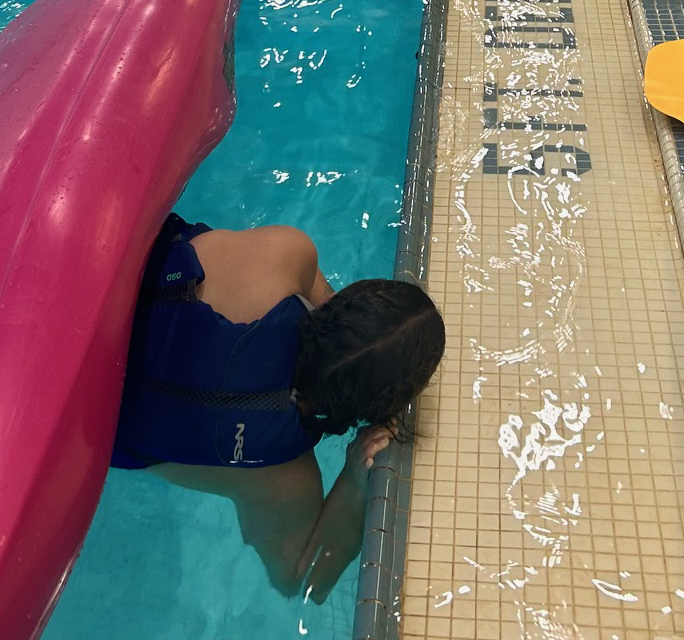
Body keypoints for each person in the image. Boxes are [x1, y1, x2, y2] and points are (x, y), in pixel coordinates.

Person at [111, 214, 446, 601]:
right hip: (97, 421)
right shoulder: (285, 480)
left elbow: (320, 296)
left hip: (92, 310)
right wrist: (355, 477)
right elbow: (301, 580)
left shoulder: (282, 253)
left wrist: (347, 340)